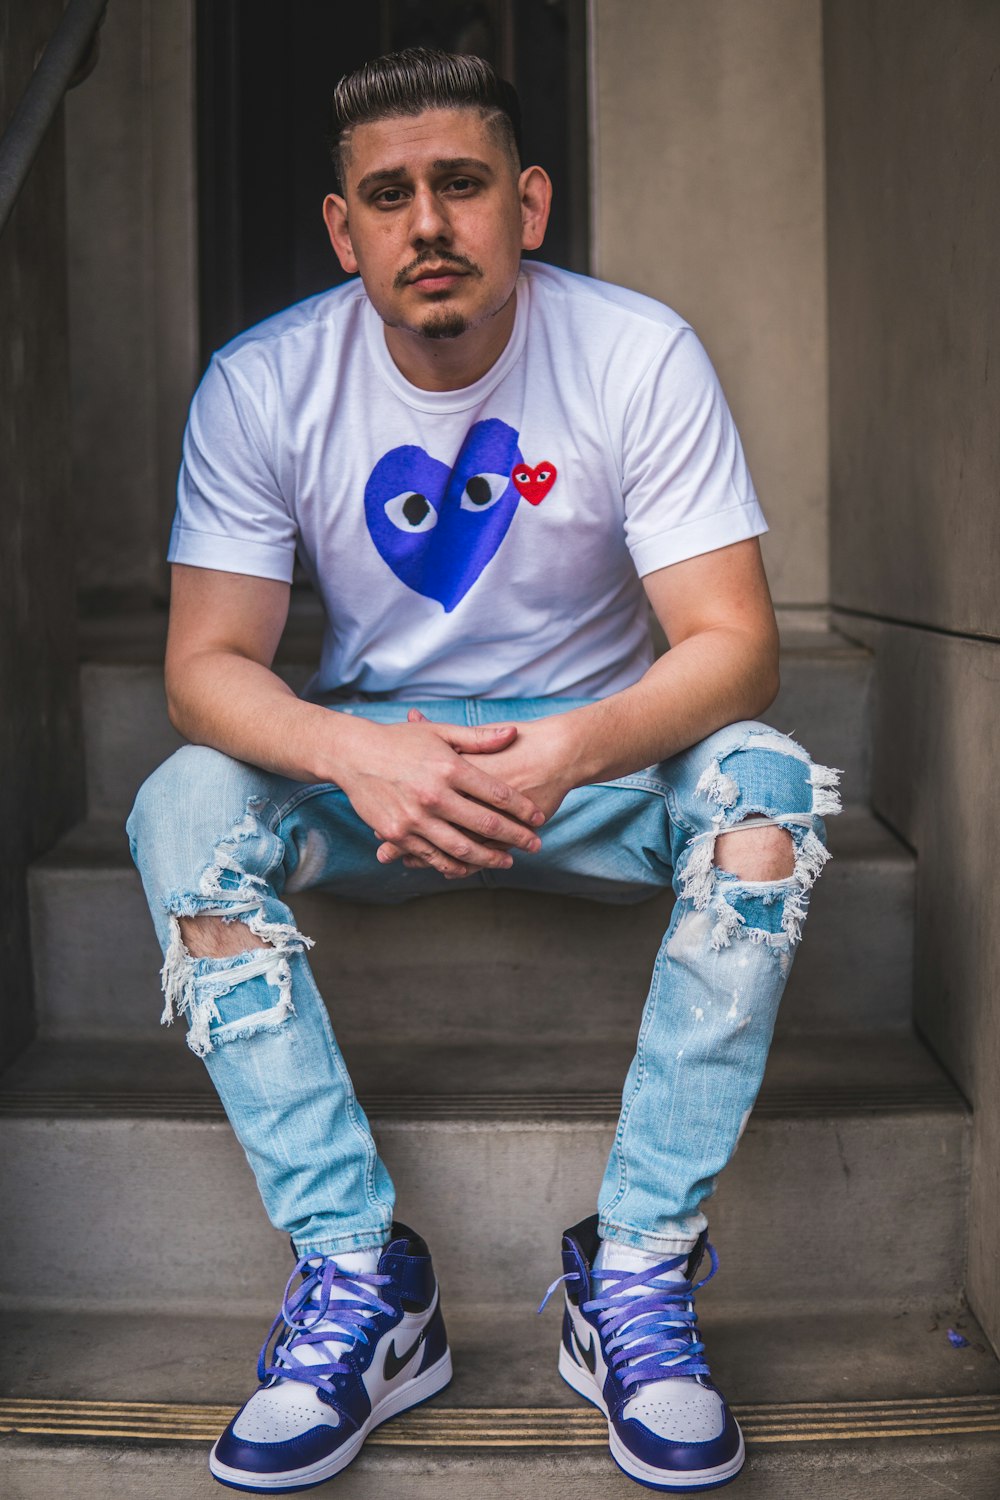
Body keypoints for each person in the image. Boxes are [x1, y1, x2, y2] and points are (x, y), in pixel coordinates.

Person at [127, 48, 840, 1495]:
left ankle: (633, 1271)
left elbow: (733, 646)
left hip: (598, 767)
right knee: (180, 805)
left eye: (459, 186)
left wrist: (577, 743)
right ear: (344, 230)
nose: (426, 225)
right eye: (386, 196)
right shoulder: (265, 383)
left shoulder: (638, 353)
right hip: (378, 770)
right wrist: (353, 753)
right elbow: (208, 664)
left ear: (529, 205)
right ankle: (357, 1271)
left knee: (764, 790)